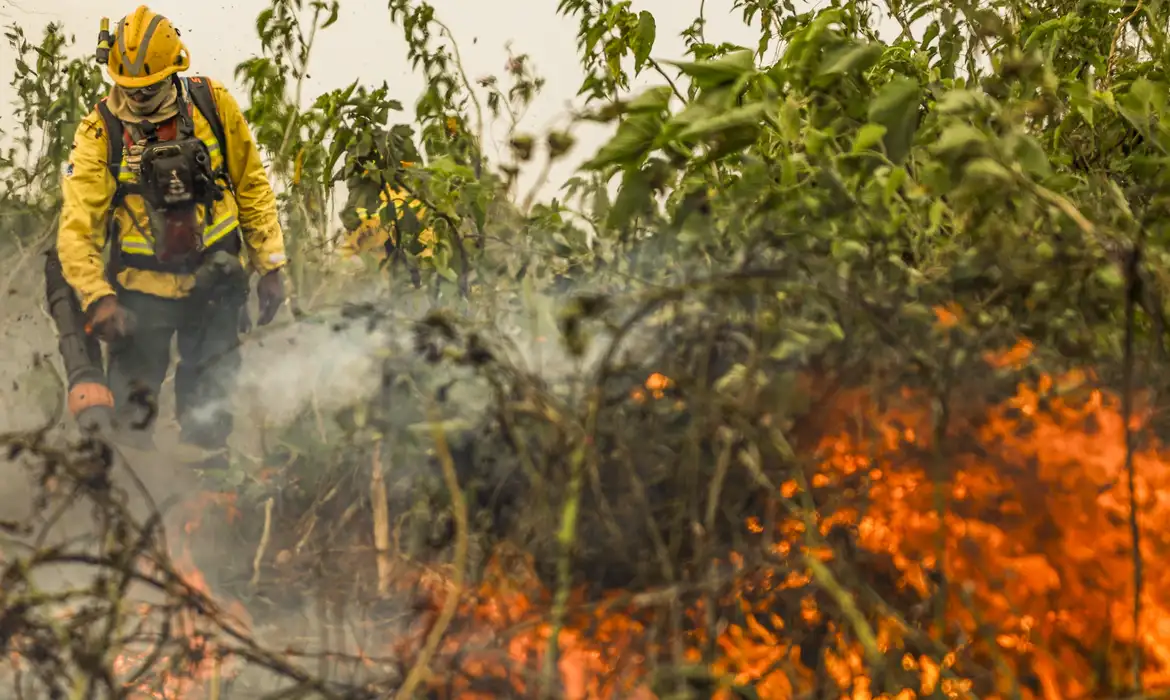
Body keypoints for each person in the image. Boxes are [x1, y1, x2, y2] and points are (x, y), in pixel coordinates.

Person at [57, 5, 287, 469]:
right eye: (131, 89)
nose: (139, 99)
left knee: (210, 411)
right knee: (131, 423)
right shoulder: (100, 131)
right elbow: (78, 227)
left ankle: (212, 506)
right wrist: (99, 297)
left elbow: (252, 185)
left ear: (175, 71)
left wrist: (271, 264)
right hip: (141, 299)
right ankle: (136, 507)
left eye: (149, 88)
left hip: (215, 286)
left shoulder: (212, 104)